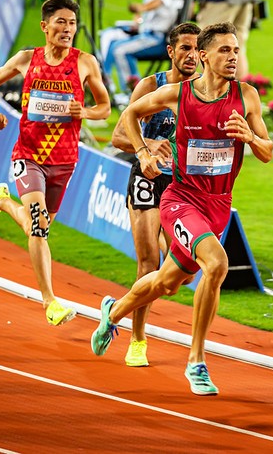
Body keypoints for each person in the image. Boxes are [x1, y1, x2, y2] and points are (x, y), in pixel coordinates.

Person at [91, 22, 273, 395]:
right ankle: (197, 362)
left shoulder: (247, 96)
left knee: (167, 282)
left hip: (219, 205)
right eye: (225, 50)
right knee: (217, 264)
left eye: (236, 50)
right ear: (204, 56)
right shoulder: (177, 94)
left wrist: (250, 136)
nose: (233, 57)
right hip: (181, 199)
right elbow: (128, 116)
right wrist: (142, 152)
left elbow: (268, 152)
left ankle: (113, 313)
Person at [0, 0, 111, 325]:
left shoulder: (85, 63)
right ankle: (50, 302)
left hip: (64, 160)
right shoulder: (26, 59)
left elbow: (105, 107)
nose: (67, 29)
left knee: (38, 226)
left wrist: (86, 112)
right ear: (45, 26)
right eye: (61, 22)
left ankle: (4, 202)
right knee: (38, 226)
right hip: (29, 154)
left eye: (72, 24)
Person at [109, 22, 201, 367]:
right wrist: (146, 146)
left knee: (183, 276)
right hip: (147, 179)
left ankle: (115, 309)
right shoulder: (152, 86)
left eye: (196, 50)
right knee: (149, 262)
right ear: (172, 52)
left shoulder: (203, 91)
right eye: (185, 49)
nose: (191, 56)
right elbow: (119, 136)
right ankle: (137, 339)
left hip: (183, 188)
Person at [100, 0, 190, 102]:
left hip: (158, 37)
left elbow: (161, 0)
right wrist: (139, 20)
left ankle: (135, 95)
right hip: (148, 31)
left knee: (120, 50)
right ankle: (106, 85)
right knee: (110, 39)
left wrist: (142, 7)